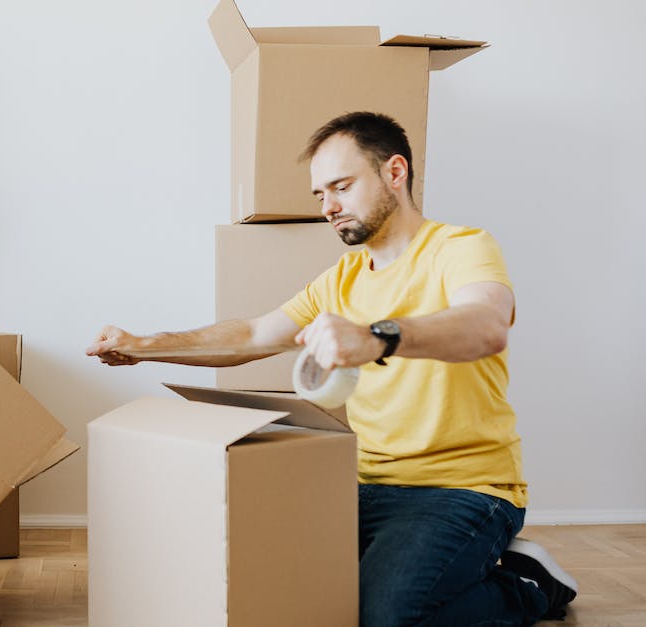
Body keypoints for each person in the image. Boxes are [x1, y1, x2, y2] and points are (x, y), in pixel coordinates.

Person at [87, 112, 578, 625]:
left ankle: (527, 584)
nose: (329, 207)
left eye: (341, 187)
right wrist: (146, 344)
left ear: (394, 172)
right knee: (279, 582)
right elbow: (253, 334)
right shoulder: (341, 279)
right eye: (320, 194)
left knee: (389, 618)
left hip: (462, 487)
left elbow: (485, 324)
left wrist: (378, 337)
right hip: (359, 482)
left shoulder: (460, 248)